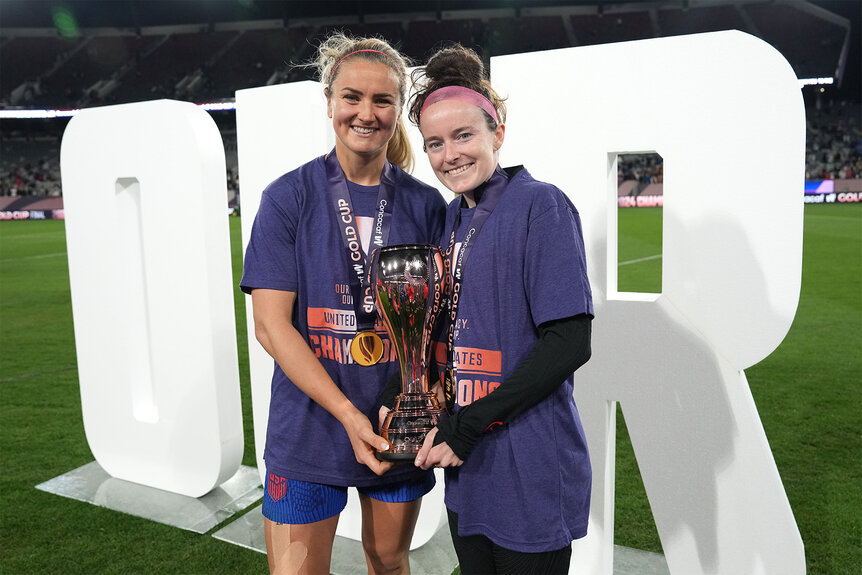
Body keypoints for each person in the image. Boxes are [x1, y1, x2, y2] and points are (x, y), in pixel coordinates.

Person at [240, 33, 447, 575]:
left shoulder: (426, 205)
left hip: (394, 425)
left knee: (389, 561)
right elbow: (269, 326)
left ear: (399, 110)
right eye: (352, 97)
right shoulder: (288, 197)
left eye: (383, 101)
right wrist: (348, 416)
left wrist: (424, 397)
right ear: (329, 101)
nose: (366, 113)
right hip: (308, 430)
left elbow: (439, 325)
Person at [406, 45, 595, 574]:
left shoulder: (541, 205)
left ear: (498, 132)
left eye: (464, 136)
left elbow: (569, 342)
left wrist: (468, 426)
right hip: (469, 469)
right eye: (435, 144)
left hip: (527, 463)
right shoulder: (447, 222)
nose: (450, 155)